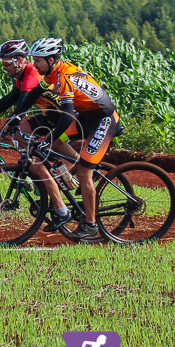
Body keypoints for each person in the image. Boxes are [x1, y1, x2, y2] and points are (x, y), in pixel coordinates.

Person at [16, 37, 121, 238]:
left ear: (51, 59)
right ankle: (74, 179)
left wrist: (47, 138)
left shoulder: (65, 77)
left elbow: (67, 116)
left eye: (38, 61)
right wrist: (16, 115)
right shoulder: (53, 72)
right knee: (54, 143)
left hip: (105, 121)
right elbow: (33, 94)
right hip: (88, 117)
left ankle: (91, 224)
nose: (35, 65)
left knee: (84, 172)